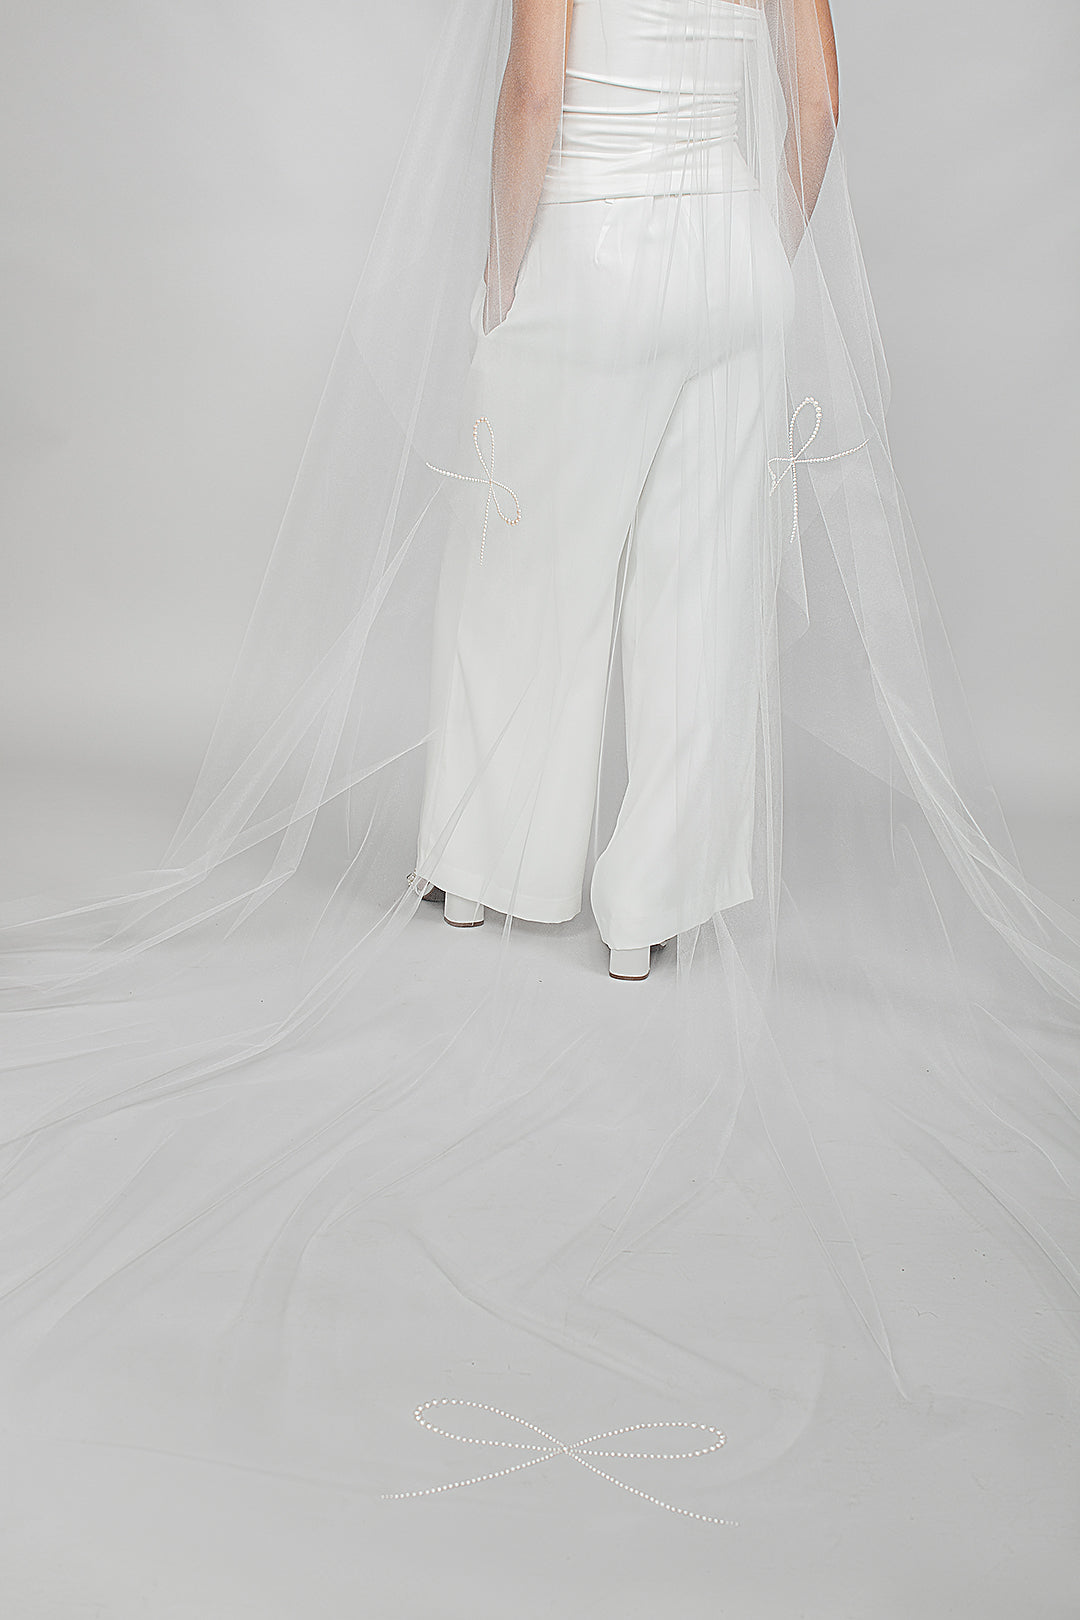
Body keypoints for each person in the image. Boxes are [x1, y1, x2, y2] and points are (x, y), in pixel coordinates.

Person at [1, 0, 1078, 1589]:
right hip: (732, 262)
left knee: (528, 564)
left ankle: (502, 868)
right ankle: (651, 909)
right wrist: (760, 249)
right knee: (696, 599)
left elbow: (530, 93)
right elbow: (822, 91)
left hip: (596, 241)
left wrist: (511, 274)